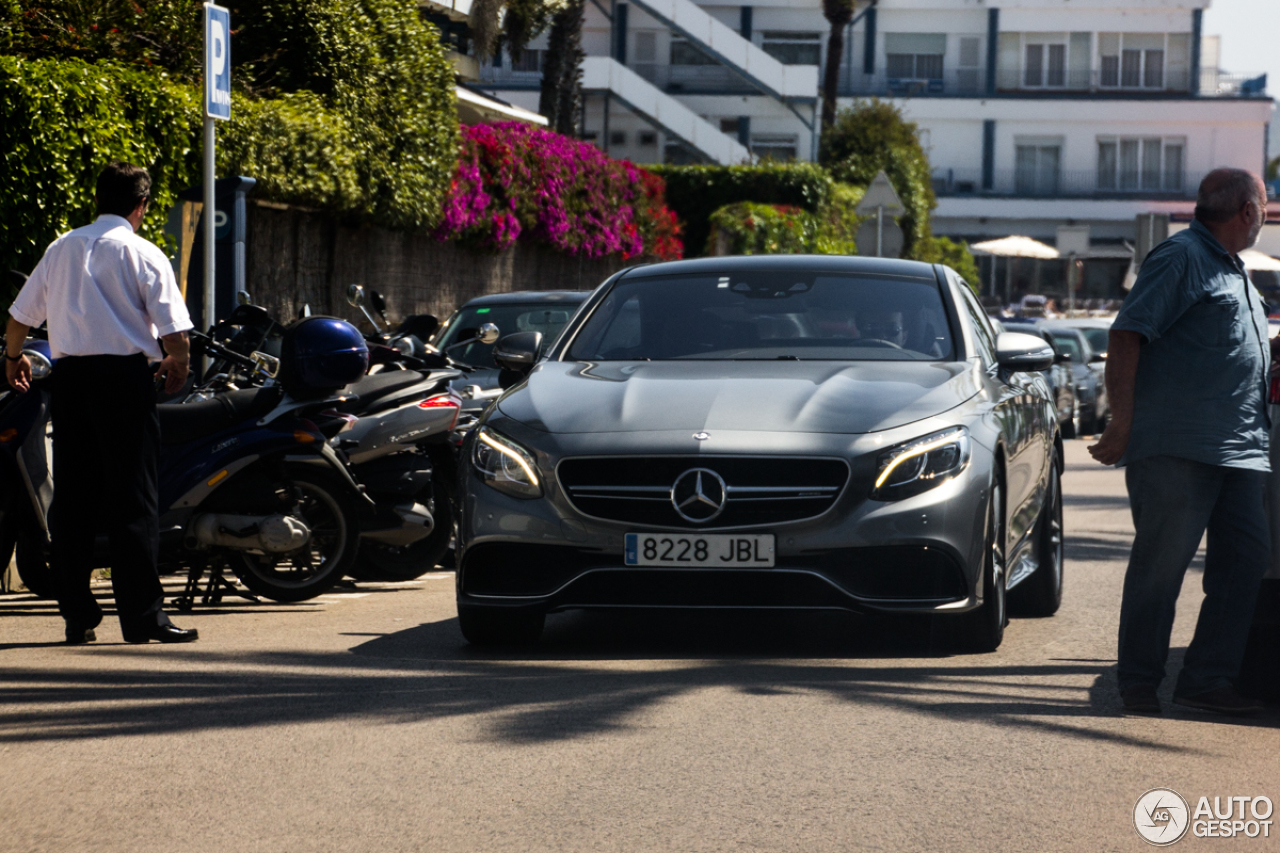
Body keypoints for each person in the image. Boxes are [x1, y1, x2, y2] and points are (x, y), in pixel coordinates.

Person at [1090, 167, 1273, 716]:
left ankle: (1206, 678)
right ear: (1247, 210)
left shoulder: (1234, 269)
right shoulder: (1182, 257)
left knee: (1244, 563)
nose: (1265, 214)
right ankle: (1140, 681)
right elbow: (1126, 334)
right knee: (1160, 568)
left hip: (1241, 448)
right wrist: (1122, 422)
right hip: (1178, 448)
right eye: (1265, 205)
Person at [5, 161, 198, 645]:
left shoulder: (61, 247)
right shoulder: (143, 252)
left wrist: (12, 359)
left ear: (97, 200)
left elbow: (20, 316)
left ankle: (77, 615)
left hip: (70, 382)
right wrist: (177, 362)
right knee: (133, 498)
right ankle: (142, 617)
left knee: (73, 498)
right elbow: (174, 331)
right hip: (124, 382)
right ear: (141, 205)